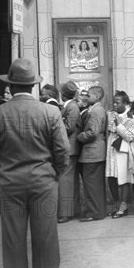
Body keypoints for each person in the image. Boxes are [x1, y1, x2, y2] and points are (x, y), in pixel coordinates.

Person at [0, 58, 69, 268]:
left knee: (12, 240)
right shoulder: (50, 112)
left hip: (10, 183)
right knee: (46, 238)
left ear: (10, 85)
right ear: (34, 85)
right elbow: (62, 150)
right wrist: (55, 173)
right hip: (43, 182)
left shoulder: (0, 113)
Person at [105, 91, 134, 218]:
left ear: (125, 103)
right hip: (111, 149)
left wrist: (119, 125)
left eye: (117, 102)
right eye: (113, 102)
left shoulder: (131, 118)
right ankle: (116, 203)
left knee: (123, 178)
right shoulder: (110, 114)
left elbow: (129, 136)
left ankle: (124, 205)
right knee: (111, 177)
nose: (114, 104)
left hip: (123, 150)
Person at [77, 86, 107, 222]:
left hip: (92, 152)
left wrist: (80, 136)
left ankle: (93, 212)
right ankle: (99, 211)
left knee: (91, 184)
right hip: (96, 151)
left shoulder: (95, 111)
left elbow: (92, 133)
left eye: (89, 95)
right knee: (95, 183)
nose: (86, 97)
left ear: (96, 96)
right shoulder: (98, 109)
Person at [57, 81, 82, 223]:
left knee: (65, 181)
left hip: (70, 148)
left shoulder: (72, 107)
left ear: (62, 94)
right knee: (70, 180)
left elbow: (68, 127)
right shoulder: (70, 106)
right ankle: (74, 210)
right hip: (71, 148)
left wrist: (55, 126)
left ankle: (66, 213)